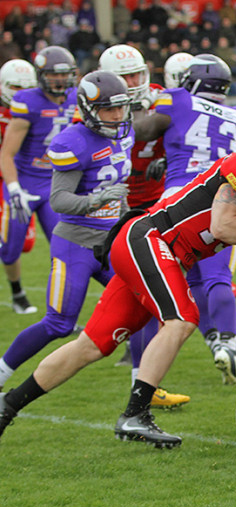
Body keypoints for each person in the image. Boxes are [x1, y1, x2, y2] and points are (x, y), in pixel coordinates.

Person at [0, 145, 236, 449]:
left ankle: (8, 405)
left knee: (91, 346)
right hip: (150, 240)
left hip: (156, 250)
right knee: (182, 318)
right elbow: (222, 225)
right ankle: (136, 414)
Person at [0, 70, 133, 392]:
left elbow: (121, 189)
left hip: (109, 242)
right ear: (88, 109)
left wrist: (127, 219)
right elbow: (59, 200)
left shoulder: (124, 135)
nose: (117, 115)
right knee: (58, 324)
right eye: (108, 108)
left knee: (142, 302)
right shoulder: (73, 141)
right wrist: (98, 199)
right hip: (76, 245)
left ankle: (141, 390)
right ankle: (3, 371)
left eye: (120, 107)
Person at [133, 53, 236, 386]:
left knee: (174, 279)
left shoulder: (177, 99)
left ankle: (141, 367)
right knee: (216, 277)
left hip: (177, 199)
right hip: (223, 198)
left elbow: (142, 131)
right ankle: (226, 342)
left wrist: (133, 110)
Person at [98, 44, 190, 409]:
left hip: (155, 205)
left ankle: (142, 380)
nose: (134, 82)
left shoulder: (161, 101)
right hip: (115, 204)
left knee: (149, 294)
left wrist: (166, 162)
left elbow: (179, 139)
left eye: (137, 74)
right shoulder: (101, 104)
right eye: (126, 77)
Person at [0, 46, 78, 314]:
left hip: (56, 185)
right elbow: (6, 154)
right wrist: (13, 189)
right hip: (25, 183)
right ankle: (18, 292)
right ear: (42, 76)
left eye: (65, 75)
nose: (61, 81)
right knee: (11, 250)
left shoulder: (77, 99)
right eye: (55, 76)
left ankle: (58, 314)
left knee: (63, 250)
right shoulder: (27, 101)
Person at [0, 60, 39, 314]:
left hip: (22, 178)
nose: (19, 93)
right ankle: (18, 293)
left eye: (25, 88)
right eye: (14, 86)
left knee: (24, 245)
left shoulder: (36, 108)